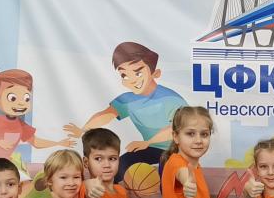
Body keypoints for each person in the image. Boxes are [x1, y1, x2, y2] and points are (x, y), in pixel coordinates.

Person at [63, 42, 186, 183]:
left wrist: (148, 142)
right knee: (119, 167)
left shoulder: (171, 99)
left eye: (138, 73)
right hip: (151, 148)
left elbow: (178, 129)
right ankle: (108, 194)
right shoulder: (128, 100)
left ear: (155, 73)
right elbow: (106, 115)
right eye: (125, 75)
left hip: (176, 150)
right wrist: (83, 129)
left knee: (167, 173)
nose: (132, 80)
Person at [0, 69, 74, 198]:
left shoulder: (20, 125)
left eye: (26, 98)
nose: (21, 103)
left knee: (26, 183)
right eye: (12, 98)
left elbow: (36, 142)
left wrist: (58, 143)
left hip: (5, 161)